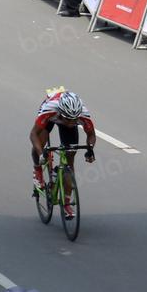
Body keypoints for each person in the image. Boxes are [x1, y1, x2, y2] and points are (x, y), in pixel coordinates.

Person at [29, 89, 97, 219]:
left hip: (64, 117)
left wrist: (90, 149)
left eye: (74, 120)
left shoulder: (82, 114)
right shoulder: (50, 109)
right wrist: (41, 154)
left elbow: (91, 135)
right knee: (40, 143)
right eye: (68, 120)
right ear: (61, 113)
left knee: (70, 159)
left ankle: (66, 203)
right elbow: (33, 134)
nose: (71, 124)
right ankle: (37, 170)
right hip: (51, 119)